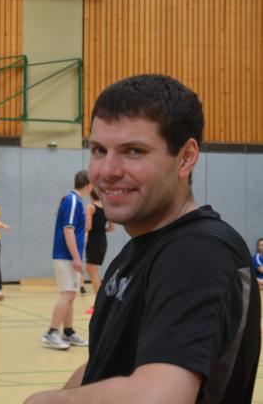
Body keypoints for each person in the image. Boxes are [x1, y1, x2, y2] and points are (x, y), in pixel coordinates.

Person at [25, 74, 261, 403]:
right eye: (98, 150)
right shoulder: (137, 253)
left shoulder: (200, 253)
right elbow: (104, 366)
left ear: (186, 157)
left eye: (133, 151)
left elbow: (159, 396)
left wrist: (45, 402)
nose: (107, 170)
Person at [41, 171, 92, 350]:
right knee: (67, 294)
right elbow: (68, 230)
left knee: (71, 295)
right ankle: (51, 332)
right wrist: (76, 258)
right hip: (65, 256)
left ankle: (68, 332)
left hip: (70, 256)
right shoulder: (73, 201)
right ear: (89, 185)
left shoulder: (75, 201)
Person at [84, 189, 114, 314]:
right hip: (102, 241)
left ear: (91, 196)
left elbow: (88, 227)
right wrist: (101, 231)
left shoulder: (90, 207)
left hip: (93, 241)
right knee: (92, 270)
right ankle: (100, 302)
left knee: (93, 272)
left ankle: (99, 303)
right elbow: (111, 228)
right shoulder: (106, 208)